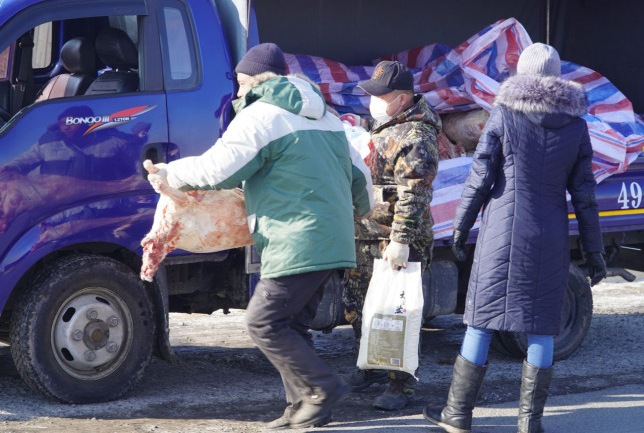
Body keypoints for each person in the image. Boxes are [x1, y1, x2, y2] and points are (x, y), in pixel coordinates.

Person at [147, 42, 374, 429]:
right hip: (332, 240)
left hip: (296, 238)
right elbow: (362, 181)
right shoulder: (329, 119)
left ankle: (323, 389)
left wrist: (172, 173)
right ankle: (303, 409)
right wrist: (361, 211)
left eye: (240, 82)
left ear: (256, 79)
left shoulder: (263, 116)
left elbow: (218, 169)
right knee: (292, 326)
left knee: (263, 322)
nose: (237, 92)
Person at [422, 43, 607, 433]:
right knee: (542, 326)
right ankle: (530, 424)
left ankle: (457, 415)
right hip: (551, 233)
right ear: (557, 76)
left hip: (501, 230)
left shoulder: (503, 115)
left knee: (480, 322)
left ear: (521, 73)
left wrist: (460, 226)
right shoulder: (576, 126)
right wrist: (594, 251)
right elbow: (585, 195)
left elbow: (480, 176)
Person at [343, 60, 441, 411]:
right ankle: (370, 366)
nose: (372, 101)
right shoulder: (386, 126)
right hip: (367, 233)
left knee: (397, 312)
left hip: (397, 240)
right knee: (357, 305)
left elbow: (414, 193)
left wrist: (401, 240)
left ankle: (401, 385)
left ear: (400, 99)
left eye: (380, 95)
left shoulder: (416, 136)